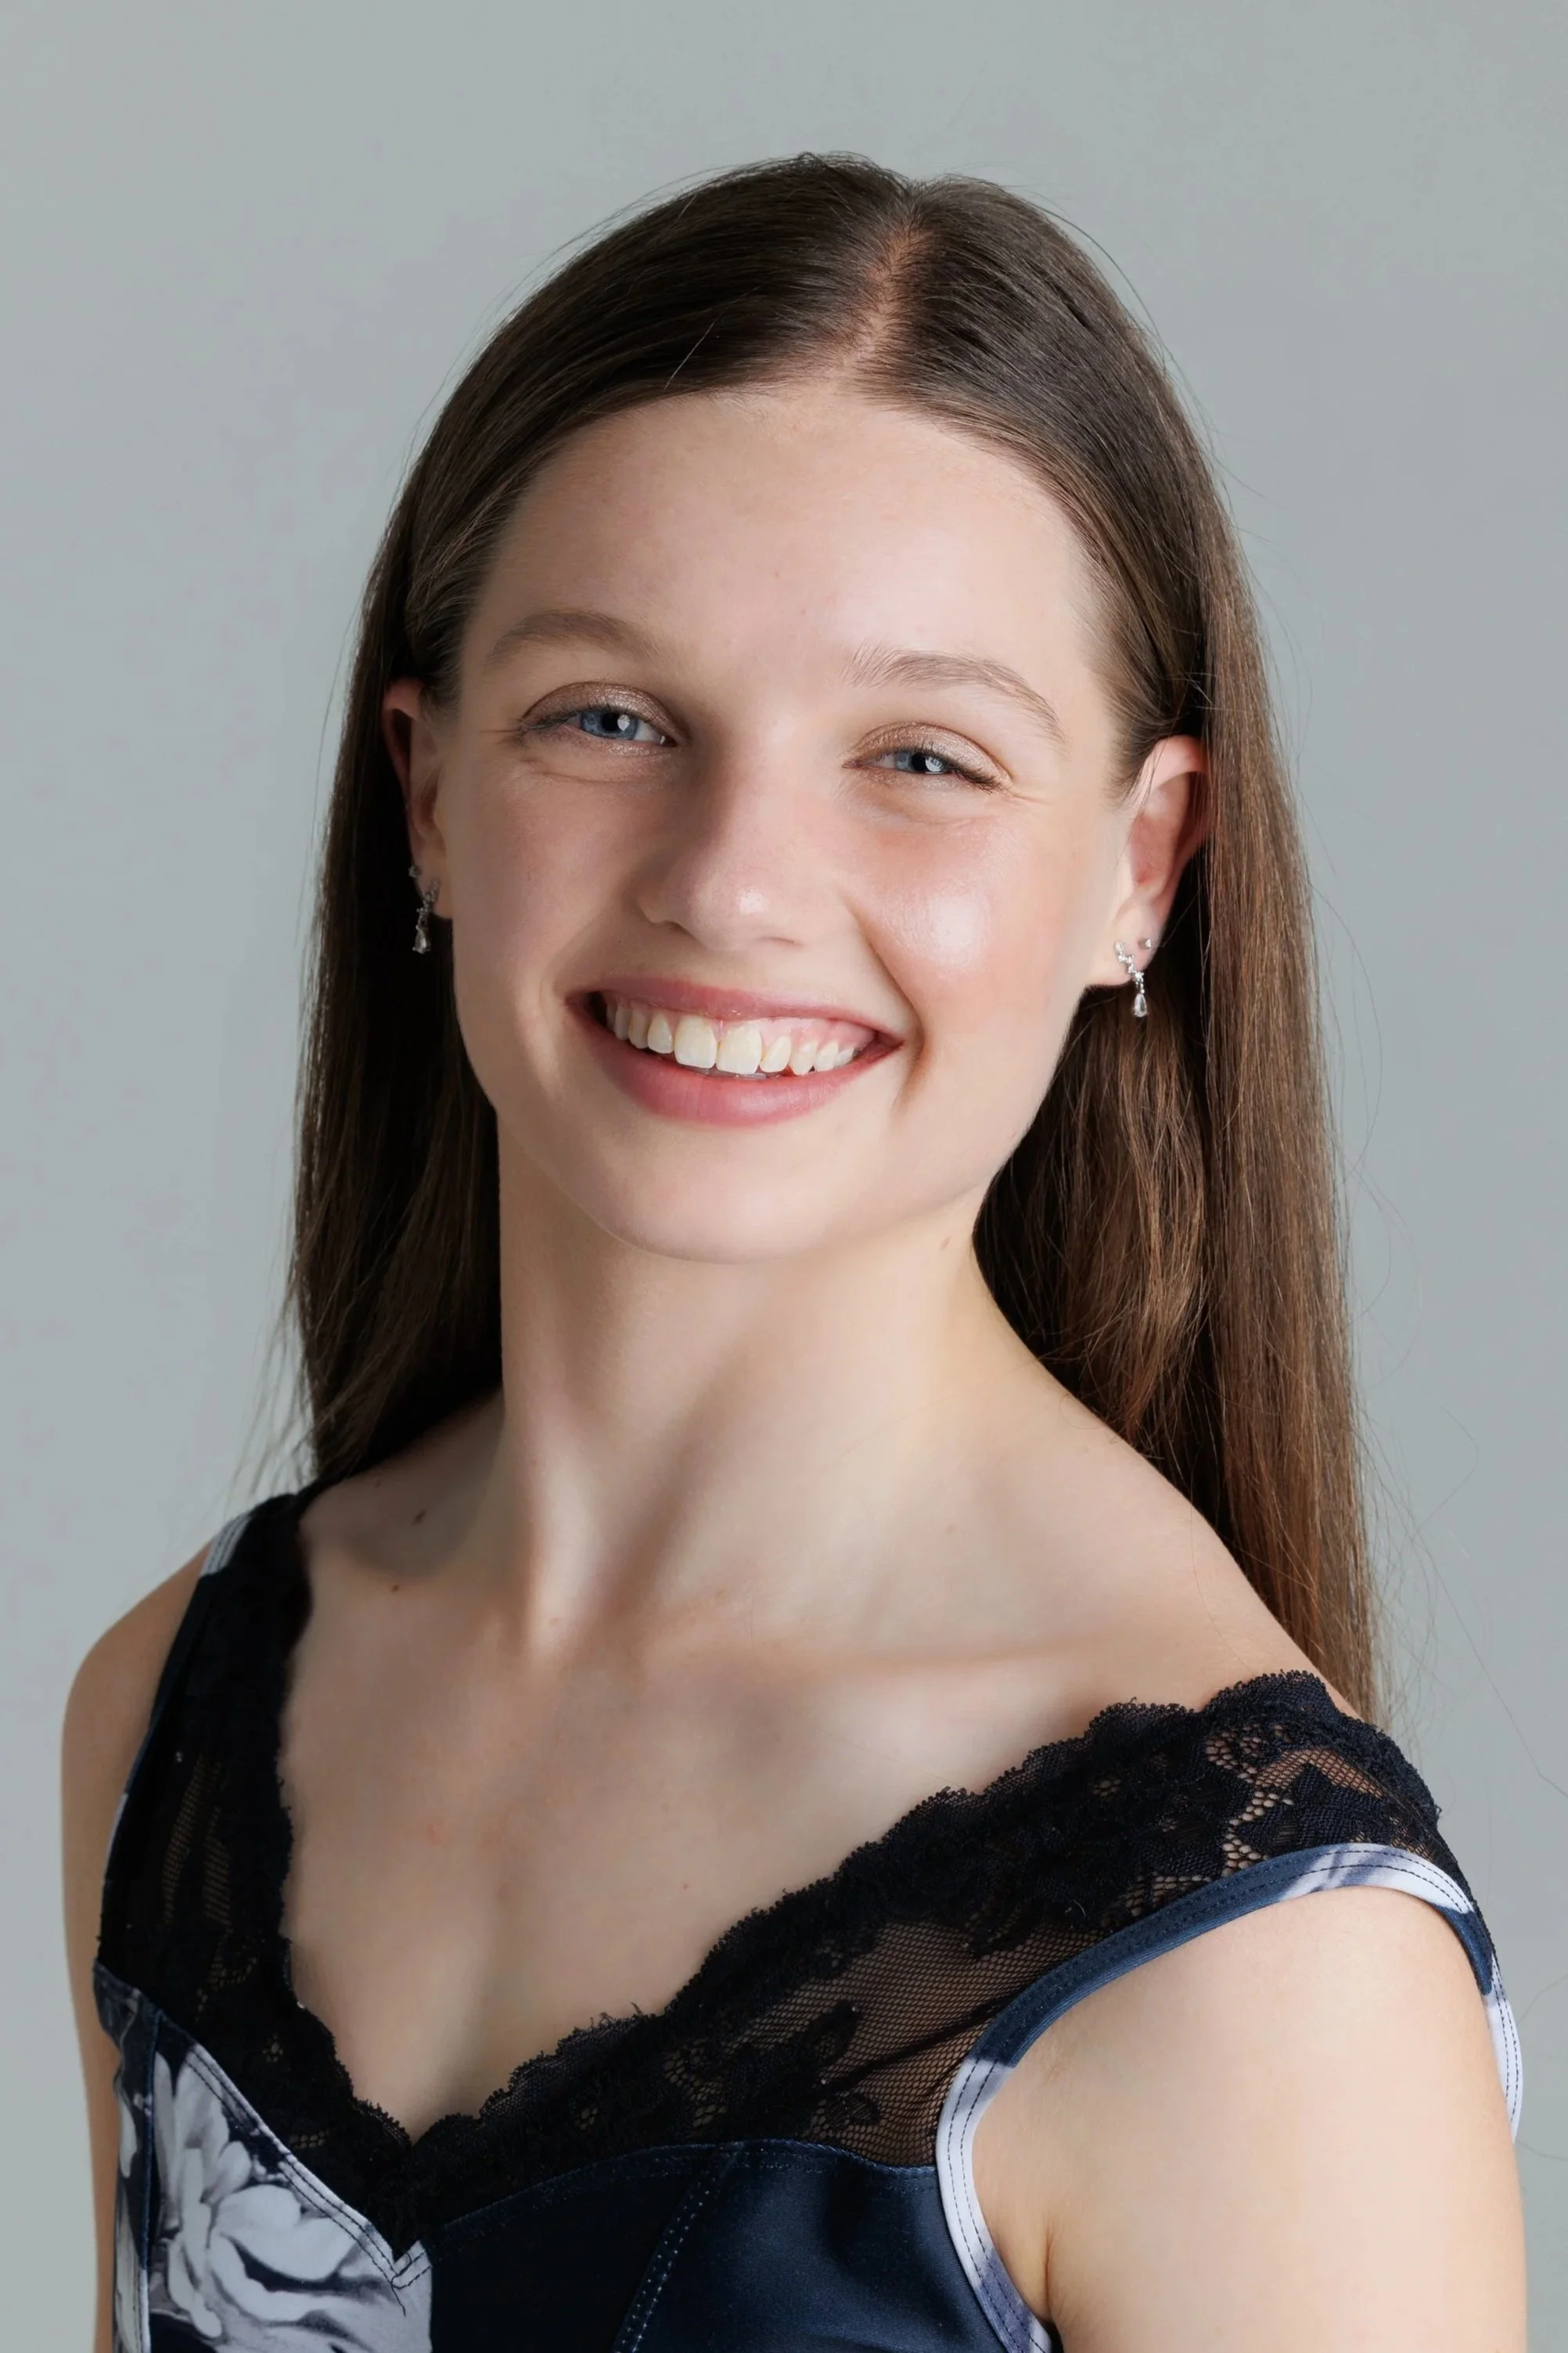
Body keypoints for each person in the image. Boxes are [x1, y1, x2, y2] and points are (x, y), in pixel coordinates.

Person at [63, 156, 1525, 2351]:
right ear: (428, 789)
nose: (734, 882)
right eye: (609, 717)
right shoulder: (170, 1707)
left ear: (1142, 864)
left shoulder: (1253, 1973)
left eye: (918, 755)